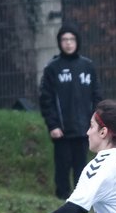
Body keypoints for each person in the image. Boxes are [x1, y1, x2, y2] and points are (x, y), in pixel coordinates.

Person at [40, 25, 101, 198]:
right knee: (62, 165)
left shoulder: (87, 66)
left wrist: (95, 122)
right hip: (62, 130)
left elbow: (97, 96)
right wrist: (53, 125)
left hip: (84, 129)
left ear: (77, 42)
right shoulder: (52, 68)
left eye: (71, 39)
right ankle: (61, 199)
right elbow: (46, 99)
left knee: (82, 166)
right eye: (64, 40)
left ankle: (81, 199)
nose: (68, 43)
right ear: (59, 43)